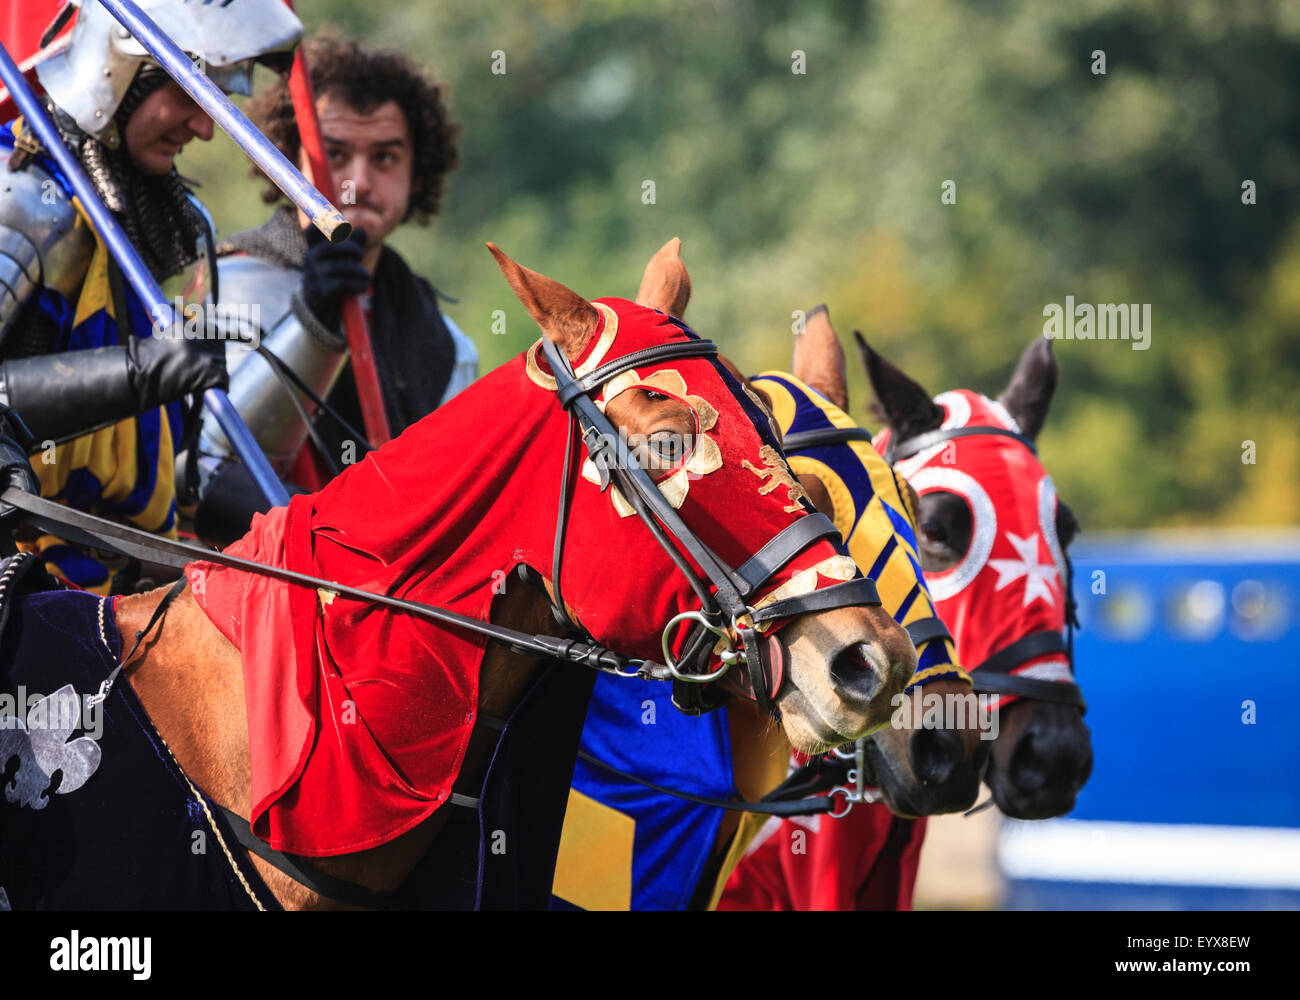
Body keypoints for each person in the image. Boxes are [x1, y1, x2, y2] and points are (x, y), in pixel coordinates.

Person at [0, 0, 302, 593]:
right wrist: (138, 373)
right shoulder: (22, 201)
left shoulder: (176, 230)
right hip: (18, 580)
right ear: (118, 73)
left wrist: (303, 525)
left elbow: (183, 465)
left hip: (131, 585)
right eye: (191, 94)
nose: (206, 126)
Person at [199, 32, 475, 528]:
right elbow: (201, 468)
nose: (360, 181)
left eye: (385, 157)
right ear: (290, 162)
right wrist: (312, 325)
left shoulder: (448, 345)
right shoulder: (230, 286)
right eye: (336, 154)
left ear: (417, 173)